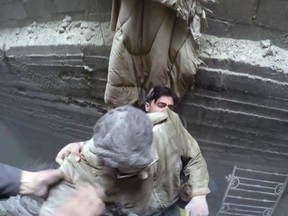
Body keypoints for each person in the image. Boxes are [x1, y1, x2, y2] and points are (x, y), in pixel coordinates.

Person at [53, 105, 210, 216]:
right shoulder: (83, 165)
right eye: (132, 170)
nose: (144, 175)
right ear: (108, 163)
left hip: (170, 207)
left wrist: (199, 196)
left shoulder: (168, 127)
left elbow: (194, 157)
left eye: (145, 164)